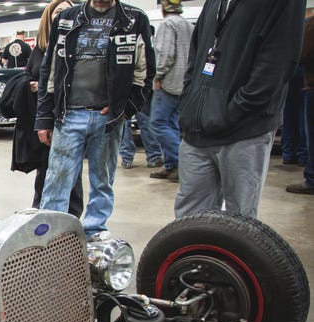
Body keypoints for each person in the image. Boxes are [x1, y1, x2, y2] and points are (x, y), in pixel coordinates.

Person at [174, 0, 305, 218]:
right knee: (188, 220)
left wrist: (234, 111)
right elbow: (196, 53)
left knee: (239, 221)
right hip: (196, 129)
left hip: (244, 129)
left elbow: (278, 62)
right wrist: (190, 102)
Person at [35, 0, 154, 237]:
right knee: (56, 181)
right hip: (68, 116)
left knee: (103, 180)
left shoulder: (134, 19)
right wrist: (44, 117)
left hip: (108, 119)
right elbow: (49, 71)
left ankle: (94, 230)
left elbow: (145, 70)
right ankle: (51, 236)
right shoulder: (66, 18)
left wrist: (125, 108)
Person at [3, 0, 82, 217]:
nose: (63, 14)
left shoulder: (80, 45)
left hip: (71, 118)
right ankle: (43, 217)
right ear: (49, 16)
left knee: (71, 174)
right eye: (58, 11)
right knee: (46, 171)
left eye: (67, 11)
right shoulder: (41, 48)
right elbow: (29, 74)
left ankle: (71, 219)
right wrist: (31, 85)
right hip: (45, 120)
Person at [148, 0, 192, 181]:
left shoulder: (167, 24)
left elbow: (166, 55)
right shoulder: (188, 25)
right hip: (184, 84)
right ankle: (171, 165)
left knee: (157, 124)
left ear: (163, 8)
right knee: (171, 124)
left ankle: (182, 163)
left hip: (168, 83)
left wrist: (157, 76)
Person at [286, 16, 314, 195]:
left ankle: (311, 178)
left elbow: (301, 54)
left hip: (312, 85)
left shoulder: (311, 24)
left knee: (311, 132)